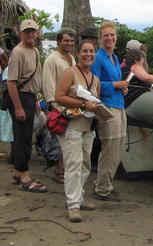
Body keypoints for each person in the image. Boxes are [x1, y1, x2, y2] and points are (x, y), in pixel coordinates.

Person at [55, 40, 101, 222]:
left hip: (88, 127)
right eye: (85, 51)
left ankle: (78, 197)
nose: (88, 54)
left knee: (85, 165)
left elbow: (95, 103)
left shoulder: (95, 79)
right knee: (73, 164)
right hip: (72, 126)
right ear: (78, 53)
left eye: (91, 51)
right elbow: (58, 97)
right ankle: (73, 205)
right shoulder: (70, 72)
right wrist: (83, 103)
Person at [90, 21, 129, 202]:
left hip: (119, 104)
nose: (109, 38)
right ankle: (102, 189)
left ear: (116, 37)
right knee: (110, 147)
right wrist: (114, 85)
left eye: (112, 35)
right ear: (100, 38)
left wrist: (122, 87)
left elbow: (116, 83)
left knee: (119, 147)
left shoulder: (114, 57)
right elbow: (93, 84)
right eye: (105, 35)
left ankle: (107, 184)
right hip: (106, 106)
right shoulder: (98, 58)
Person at [7, 19, 47, 192]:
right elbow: (11, 82)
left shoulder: (35, 51)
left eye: (33, 31)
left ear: (37, 33)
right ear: (21, 33)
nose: (30, 34)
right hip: (20, 97)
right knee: (23, 139)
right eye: (27, 31)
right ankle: (24, 176)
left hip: (31, 97)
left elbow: (35, 78)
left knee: (22, 136)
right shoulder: (18, 52)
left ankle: (17, 172)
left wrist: (37, 100)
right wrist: (18, 107)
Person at [43, 27, 76, 184]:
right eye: (66, 41)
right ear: (58, 42)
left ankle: (64, 168)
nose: (69, 43)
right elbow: (48, 82)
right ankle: (59, 170)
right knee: (59, 138)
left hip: (71, 103)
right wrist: (53, 104)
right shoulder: (52, 59)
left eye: (71, 41)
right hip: (59, 104)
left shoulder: (72, 58)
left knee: (69, 138)